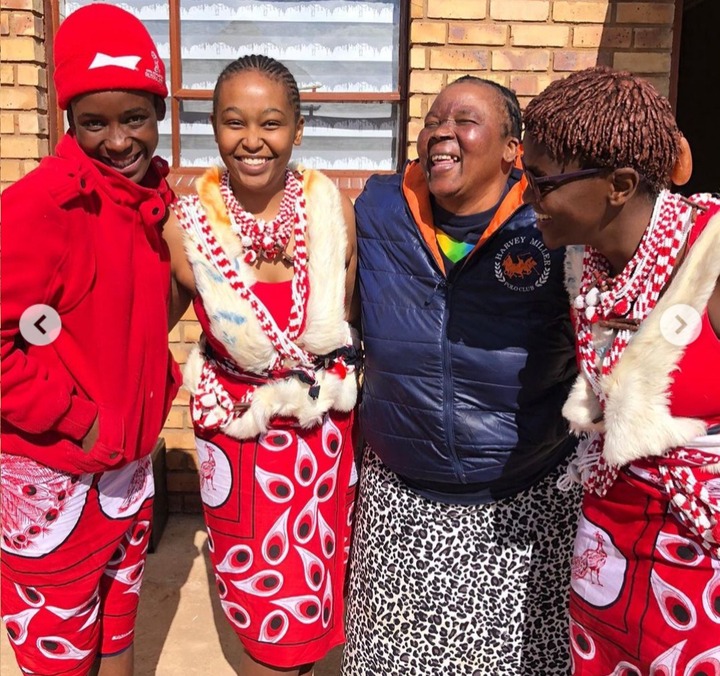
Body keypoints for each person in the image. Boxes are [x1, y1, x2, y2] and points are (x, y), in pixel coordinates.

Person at [341, 76, 580, 675]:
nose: (441, 132)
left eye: (465, 120)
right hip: (400, 510)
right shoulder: (378, 210)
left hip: (524, 506)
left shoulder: (549, 223)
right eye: (432, 121)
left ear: (511, 150)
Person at [162, 54, 359, 675]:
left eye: (271, 123)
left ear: (297, 129)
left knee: (316, 587)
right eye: (234, 122)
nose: (253, 140)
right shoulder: (186, 227)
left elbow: (351, 321)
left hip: (322, 439)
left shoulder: (332, 212)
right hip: (238, 438)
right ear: (213, 128)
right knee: (259, 600)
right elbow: (142, 327)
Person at [521, 65, 720, 674]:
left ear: (620, 184)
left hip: (702, 558)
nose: (528, 198)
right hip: (607, 547)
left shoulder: (711, 260)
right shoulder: (584, 264)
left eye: (542, 181)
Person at [0, 4, 179, 676]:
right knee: (60, 660)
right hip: (53, 481)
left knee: (116, 636)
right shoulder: (40, 207)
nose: (118, 141)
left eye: (134, 117)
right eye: (94, 122)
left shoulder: (147, 201)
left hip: (126, 474)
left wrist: (154, 392)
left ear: (158, 112)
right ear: (68, 120)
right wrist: (79, 419)